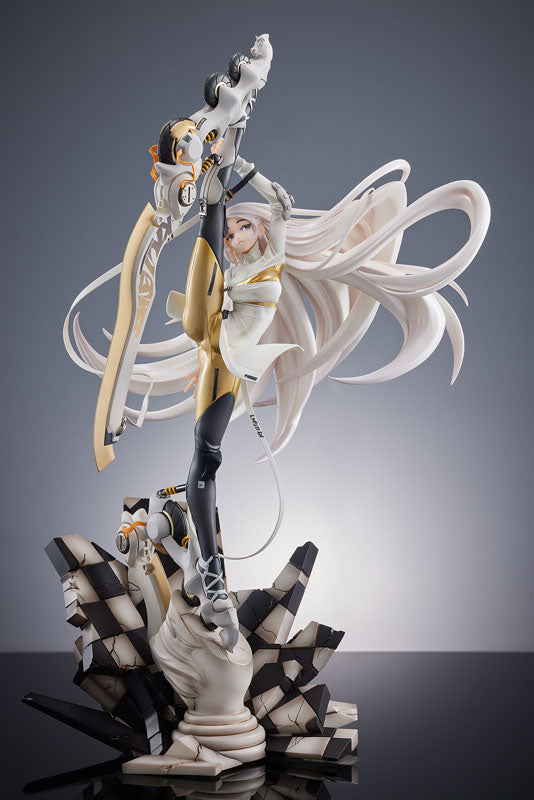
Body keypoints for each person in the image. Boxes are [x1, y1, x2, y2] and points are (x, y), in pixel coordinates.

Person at [70, 144, 490, 648]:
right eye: (228, 233)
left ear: (260, 230)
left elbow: (278, 205)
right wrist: (224, 174)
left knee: (205, 456)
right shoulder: (231, 272)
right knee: (203, 457)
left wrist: (239, 166)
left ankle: (208, 577)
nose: (235, 238)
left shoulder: (272, 255)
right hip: (217, 352)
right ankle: (205, 570)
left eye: (241, 227)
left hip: (228, 357)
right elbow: (213, 311)